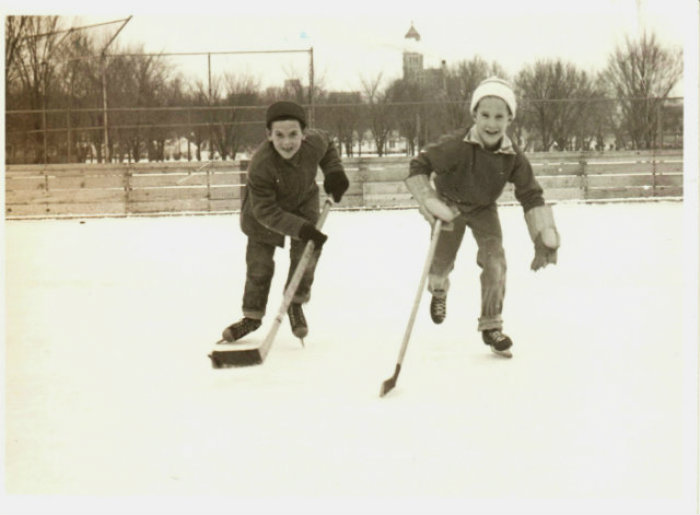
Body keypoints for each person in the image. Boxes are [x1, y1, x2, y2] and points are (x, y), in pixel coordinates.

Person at [405, 77, 560, 356]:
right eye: (485, 115)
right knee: (440, 262)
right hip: (449, 208)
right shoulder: (455, 145)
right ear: (474, 115)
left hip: (484, 209)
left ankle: (491, 325)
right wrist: (429, 199)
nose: (491, 123)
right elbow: (419, 165)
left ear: (510, 119)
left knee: (495, 262)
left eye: (499, 116)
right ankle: (439, 291)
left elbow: (531, 195)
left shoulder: (513, 156)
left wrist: (543, 232)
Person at [222, 100, 349, 342]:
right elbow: (265, 211)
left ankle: (294, 303)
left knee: (307, 254)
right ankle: (252, 316)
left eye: (294, 134)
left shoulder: (315, 143)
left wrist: (334, 172)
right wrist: (301, 229)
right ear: (269, 135)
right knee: (259, 267)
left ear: (304, 133)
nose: (287, 142)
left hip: (302, 203)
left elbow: (329, 146)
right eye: (279, 135)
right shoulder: (260, 165)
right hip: (262, 216)